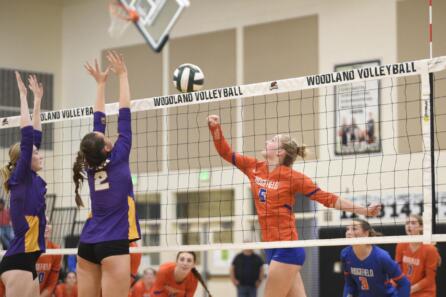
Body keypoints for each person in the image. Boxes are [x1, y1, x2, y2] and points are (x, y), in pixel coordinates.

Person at [207, 114, 381, 297]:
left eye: (273, 140)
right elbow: (225, 152)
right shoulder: (253, 167)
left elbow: (327, 198)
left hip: (287, 247)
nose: (267, 140)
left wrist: (364, 210)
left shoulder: (293, 177)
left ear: (280, 152)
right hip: (270, 246)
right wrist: (215, 129)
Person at [72, 52, 141, 297]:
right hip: (113, 242)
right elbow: (124, 112)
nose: (104, 133)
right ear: (107, 148)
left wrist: (101, 84)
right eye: (104, 137)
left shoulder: (89, 164)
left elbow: (98, 122)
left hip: (88, 242)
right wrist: (122, 75)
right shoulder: (119, 155)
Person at [0, 72, 47, 297]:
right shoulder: (20, 178)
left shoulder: (31, 179)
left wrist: (37, 101)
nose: (40, 154)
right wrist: (23, 97)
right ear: (25, 160)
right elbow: (28, 138)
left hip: (28, 261)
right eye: (35, 153)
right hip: (18, 261)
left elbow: (35, 137)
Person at [341, 219, 410, 297]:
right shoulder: (345, 254)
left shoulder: (381, 257)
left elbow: (404, 283)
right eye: (347, 229)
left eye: (354, 229)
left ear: (366, 233)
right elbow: (349, 285)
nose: (349, 232)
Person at [395, 214, 441, 297]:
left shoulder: (430, 249)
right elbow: (397, 270)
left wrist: (409, 289)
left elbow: (429, 279)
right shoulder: (401, 245)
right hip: (406, 290)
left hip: (425, 293)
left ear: (421, 227)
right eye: (407, 223)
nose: (409, 226)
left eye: (413, 223)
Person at [36, 219, 62, 297]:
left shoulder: (56, 250)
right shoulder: (25, 249)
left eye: (48, 223)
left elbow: (51, 285)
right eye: (43, 223)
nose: (46, 226)